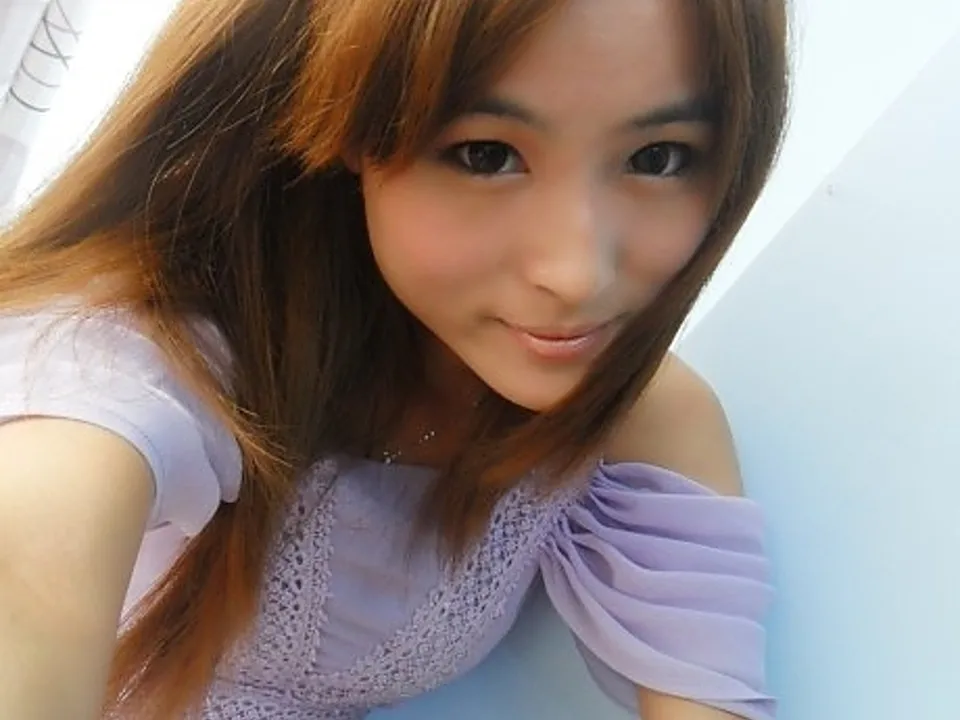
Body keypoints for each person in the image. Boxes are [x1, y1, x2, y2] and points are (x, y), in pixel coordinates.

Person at [0, 0, 789, 718]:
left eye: (658, 158)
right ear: (344, 123)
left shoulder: (641, 416)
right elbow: (38, 539)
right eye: (485, 154)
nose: (579, 274)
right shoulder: (149, 354)